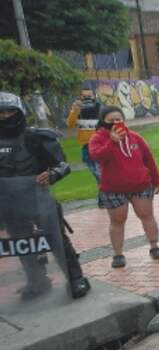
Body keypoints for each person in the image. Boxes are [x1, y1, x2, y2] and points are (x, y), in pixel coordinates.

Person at [0, 92, 91, 299]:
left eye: (9, 111)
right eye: (1, 112)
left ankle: (75, 278)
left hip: (39, 200)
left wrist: (53, 174)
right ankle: (37, 281)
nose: (5, 116)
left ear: (19, 111)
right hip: (8, 204)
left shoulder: (36, 137)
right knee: (21, 242)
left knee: (57, 239)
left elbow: (63, 164)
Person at [88, 106, 159, 268]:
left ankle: (154, 246)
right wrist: (112, 141)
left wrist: (156, 180)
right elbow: (97, 156)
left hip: (140, 184)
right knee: (117, 221)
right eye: (111, 120)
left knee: (147, 215)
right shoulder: (98, 138)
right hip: (113, 188)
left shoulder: (135, 137)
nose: (115, 122)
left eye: (118, 119)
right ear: (103, 122)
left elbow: (148, 159)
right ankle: (118, 254)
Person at [66, 87, 102, 184]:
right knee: (98, 177)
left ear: (94, 96)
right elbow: (70, 124)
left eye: (89, 96)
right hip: (86, 147)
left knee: (102, 176)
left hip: (100, 146)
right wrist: (75, 110)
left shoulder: (99, 108)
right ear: (80, 97)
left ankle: (107, 195)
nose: (87, 98)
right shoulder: (77, 109)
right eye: (84, 96)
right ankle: (106, 196)